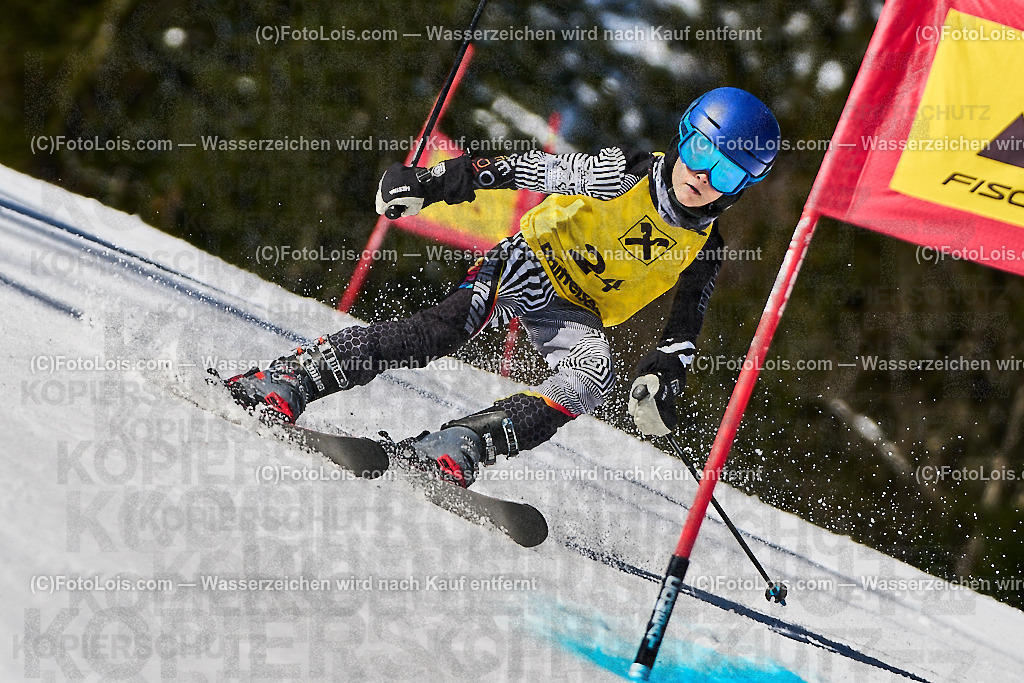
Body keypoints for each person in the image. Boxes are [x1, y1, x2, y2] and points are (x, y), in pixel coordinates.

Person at [225, 87, 781, 488]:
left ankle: (460, 443)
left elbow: (683, 330)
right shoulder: (628, 174)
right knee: (450, 328)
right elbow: (526, 169)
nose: (703, 176)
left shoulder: (704, 249)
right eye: (701, 151)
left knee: (591, 377)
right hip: (533, 260)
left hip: (576, 311)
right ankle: (294, 376)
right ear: (684, 137)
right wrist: (434, 184)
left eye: (727, 173)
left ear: (742, 187)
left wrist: (661, 380)